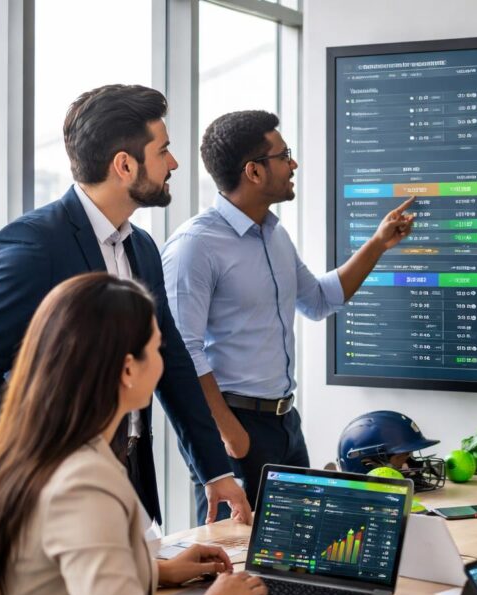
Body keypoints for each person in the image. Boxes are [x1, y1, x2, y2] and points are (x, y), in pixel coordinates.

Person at [0, 84, 250, 526]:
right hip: (37, 496)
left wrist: (215, 471)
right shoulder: (34, 244)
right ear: (124, 164)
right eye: (163, 151)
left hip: (124, 477)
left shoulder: (144, 248)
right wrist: (45, 463)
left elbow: (172, 362)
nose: (174, 164)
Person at [0, 273, 268, 595]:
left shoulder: (24, 454)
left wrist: (154, 570)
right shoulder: (84, 482)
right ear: (129, 369)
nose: (162, 362)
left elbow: (48, 576)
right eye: (156, 348)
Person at [161, 110, 415, 520]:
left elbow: (318, 300)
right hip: (236, 428)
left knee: (299, 548)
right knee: (233, 551)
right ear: (254, 171)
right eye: (283, 155)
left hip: (285, 425)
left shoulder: (275, 234)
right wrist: (231, 433)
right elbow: (183, 352)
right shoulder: (195, 245)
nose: (293, 164)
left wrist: (378, 244)